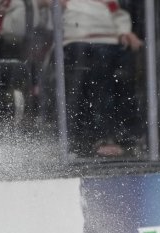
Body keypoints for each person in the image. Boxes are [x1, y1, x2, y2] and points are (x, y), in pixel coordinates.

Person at [61, 0, 142, 157]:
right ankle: (98, 136)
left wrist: (124, 31)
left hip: (109, 42)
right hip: (78, 41)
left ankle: (126, 136)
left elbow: (118, 14)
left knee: (123, 75)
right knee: (99, 74)